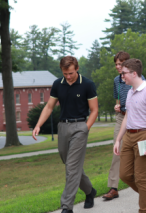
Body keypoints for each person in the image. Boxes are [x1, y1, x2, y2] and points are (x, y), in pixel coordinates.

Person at [32, 56, 98, 213]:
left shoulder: (87, 84)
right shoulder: (57, 84)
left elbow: (94, 110)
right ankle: (90, 191)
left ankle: (66, 207)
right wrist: (38, 125)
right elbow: (49, 106)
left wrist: (85, 128)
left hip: (80, 127)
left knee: (72, 168)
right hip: (63, 127)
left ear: (77, 68)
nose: (68, 76)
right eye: (65, 73)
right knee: (70, 164)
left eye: (70, 73)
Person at [103, 52, 146, 201]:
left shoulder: (145, 88)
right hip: (125, 122)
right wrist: (118, 139)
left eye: (121, 65)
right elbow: (122, 106)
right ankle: (123, 188)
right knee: (123, 166)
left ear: (133, 72)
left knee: (141, 168)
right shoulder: (121, 84)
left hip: (142, 128)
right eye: (116, 64)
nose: (118, 69)